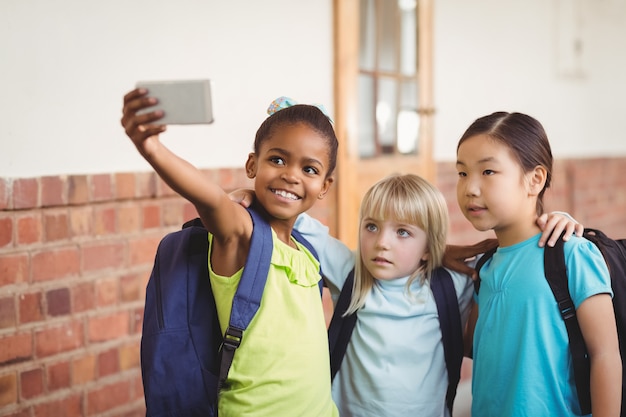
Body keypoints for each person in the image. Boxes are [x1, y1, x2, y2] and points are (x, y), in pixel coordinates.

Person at [232, 173, 582, 417]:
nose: (381, 242)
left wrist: (556, 220)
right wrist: (248, 197)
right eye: (371, 227)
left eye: (402, 232)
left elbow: (516, 249)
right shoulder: (349, 270)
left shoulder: (453, 285)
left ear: (430, 247)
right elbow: (291, 214)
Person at [121, 92, 339, 417]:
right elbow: (209, 198)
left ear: (324, 185)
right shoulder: (243, 234)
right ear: (253, 164)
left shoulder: (308, 252)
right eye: (277, 160)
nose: (291, 175)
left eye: (309, 169)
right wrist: (151, 147)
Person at [456, 111, 621, 416]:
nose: (470, 188)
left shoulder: (571, 255)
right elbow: (477, 348)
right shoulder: (485, 268)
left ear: (535, 180)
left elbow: (605, 355)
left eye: (488, 172)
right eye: (462, 173)